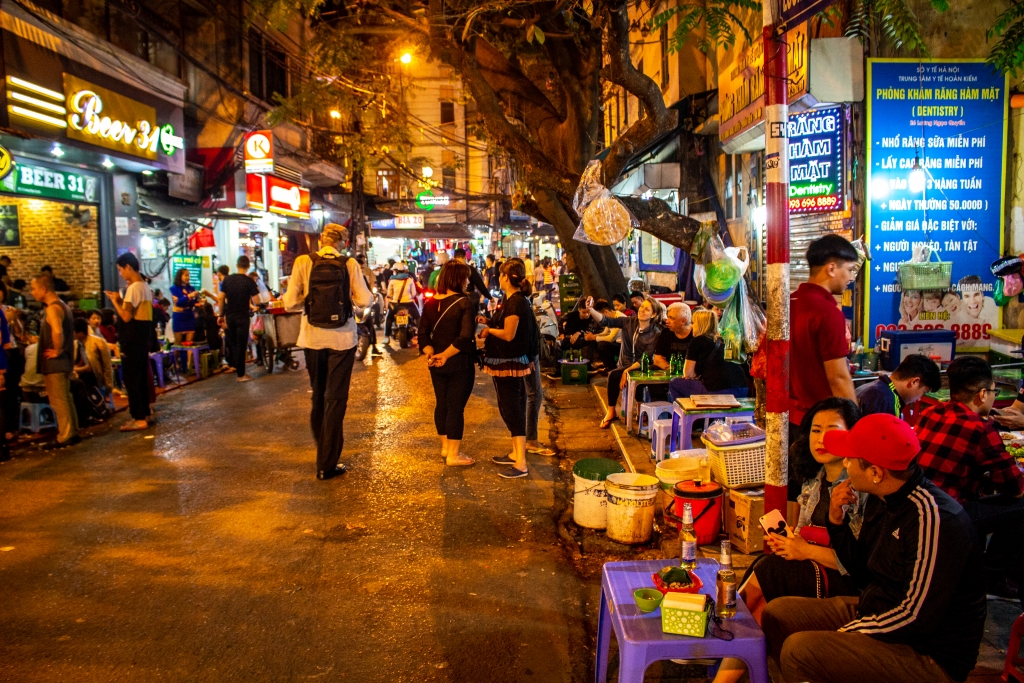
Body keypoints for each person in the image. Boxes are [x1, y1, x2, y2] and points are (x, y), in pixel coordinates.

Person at [755, 413, 985, 683]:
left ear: (876, 473)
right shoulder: (884, 498)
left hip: (928, 654)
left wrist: (849, 632)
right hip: (878, 610)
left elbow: (915, 617)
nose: (845, 464)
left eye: (850, 459)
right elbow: (863, 572)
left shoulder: (932, 518)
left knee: (800, 650)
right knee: (778, 614)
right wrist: (836, 521)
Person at [914, 355, 1024, 606]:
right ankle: (995, 579)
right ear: (982, 394)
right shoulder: (980, 429)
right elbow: (1015, 488)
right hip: (947, 516)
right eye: (994, 392)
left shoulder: (931, 412)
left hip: (918, 507)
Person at [282, 224, 372, 480]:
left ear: (321, 240)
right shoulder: (349, 263)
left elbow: (289, 302)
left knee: (319, 396)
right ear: (343, 242)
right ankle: (327, 462)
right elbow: (365, 300)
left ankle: (323, 450)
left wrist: (309, 302)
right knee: (335, 399)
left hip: (311, 339)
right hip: (342, 340)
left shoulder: (303, 262)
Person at [789, 234, 857, 429]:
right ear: (831, 268)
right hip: (821, 422)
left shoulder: (787, 304)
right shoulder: (828, 313)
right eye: (850, 269)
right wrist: (855, 422)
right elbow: (838, 378)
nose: (851, 278)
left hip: (789, 417)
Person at [479, 258, 537, 479]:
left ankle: (521, 463)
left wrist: (489, 331)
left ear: (505, 277)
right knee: (512, 407)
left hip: (509, 362)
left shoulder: (516, 302)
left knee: (512, 409)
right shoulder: (513, 300)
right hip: (508, 361)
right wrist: (490, 322)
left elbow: (509, 334)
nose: (498, 278)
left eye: (500, 275)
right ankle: (515, 453)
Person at [419, 261, 476, 467]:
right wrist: (446, 355)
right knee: (455, 408)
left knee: (442, 404)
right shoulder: (464, 302)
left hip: (436, 364)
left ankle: (445, 447)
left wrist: (432, 353)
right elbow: (465, 336)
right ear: (458, 279)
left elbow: (423, 335)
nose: (468, 282)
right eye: (466, 277)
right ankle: (454, 455)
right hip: (459, 362)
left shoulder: (429, 303)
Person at [585, 295, 662, 428]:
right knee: (613, 375)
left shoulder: (655, 332)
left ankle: (641, 408)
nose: (642, 310)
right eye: (642, 307)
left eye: (647, 309)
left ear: (653, 314)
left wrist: (628, 371)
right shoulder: (628, 322)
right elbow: (606, 321)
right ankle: (611, 411)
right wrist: (590, 309)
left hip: (641, 366)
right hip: (624, 363)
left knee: (640, 378)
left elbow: (645, 357)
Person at [105, 253, 154, 432]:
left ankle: (138, 418)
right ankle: (145, 413)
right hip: (142, 337)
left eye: (120, 270)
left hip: (132, 339)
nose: (121, 274)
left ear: (128, 267)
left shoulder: (133, 288)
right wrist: (120, 300)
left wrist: (115, 302)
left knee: (131, 378)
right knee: (140, 377)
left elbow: (126, 316)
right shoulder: (145, 287)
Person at [32, 273, 79, 448]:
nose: (32, 292)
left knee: (59, 400)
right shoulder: (63, 306)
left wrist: (57, 350)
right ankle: (72, 431)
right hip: (64, 361)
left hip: (55, 363)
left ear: (43, 289)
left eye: (34, 289)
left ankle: (65, 435)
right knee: (66, 397)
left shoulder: (52, 308)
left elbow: (57, 331)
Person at [667, 309, 749, 401]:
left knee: (675, 383)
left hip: (719, 391)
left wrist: (695, 375)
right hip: (742, 389)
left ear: (700, 324)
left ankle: (687, 410)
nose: (692, 326)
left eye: (693, 323)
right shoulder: (724, 340)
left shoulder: (697, 341)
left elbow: (688, 374)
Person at [217, 256, 260, 382]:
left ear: (237, 265)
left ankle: (234, 366)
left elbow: (221, 298)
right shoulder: (249, 281)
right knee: (241, 345)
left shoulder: (227, 279)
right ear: (248, 266)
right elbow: (257, 300)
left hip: (230, 316)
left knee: (233, 343)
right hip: (243, 317)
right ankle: (241, 375)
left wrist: (220, 315)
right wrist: (255, 305)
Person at [856, 354, 940, 417]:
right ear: (914, 382)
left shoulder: (874, 388)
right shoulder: (887, 402)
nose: (919, 398)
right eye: (923, 392)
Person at [72, 317, 113, 394]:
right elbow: (82, 361)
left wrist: (74, 369)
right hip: (86, 374)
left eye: (73, 331)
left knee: (76, 384)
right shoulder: (78, 343)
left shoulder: (97, 342)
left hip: (96, 377)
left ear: (80, 333)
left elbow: (93, 367)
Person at [385, 262, 418, 343]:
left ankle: (386, 336)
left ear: (396, 271)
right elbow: (414, 293)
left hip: (395, 304)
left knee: (388, 318)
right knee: (418, 316)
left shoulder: (392, 281)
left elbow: (389, 294)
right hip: (409, 303)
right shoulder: (409, 280)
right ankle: (421, 334)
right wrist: (409, 297)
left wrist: (394, 298)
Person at [653, 302, 692, 370]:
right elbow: (658, 359)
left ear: (683, 321)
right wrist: (673, 370)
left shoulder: (696, 335)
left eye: (672, 318)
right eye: (668, 317)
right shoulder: (666, 332)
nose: (667, 321)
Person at [169, 268, 202, 344]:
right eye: (186, 275)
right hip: (179, 316)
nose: (188, 277)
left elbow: (192, 302)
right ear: (180, 276)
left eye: (189, 275)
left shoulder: (191, 288)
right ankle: (176, 352)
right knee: (178, 341)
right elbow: (178, 303)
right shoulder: (174, 288)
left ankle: (189, 352)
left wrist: (198, 301)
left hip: (189, 315)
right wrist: (189, 296)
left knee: (189, 342)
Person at [592, 299, 622, 370]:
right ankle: (604, 365)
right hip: (616, 342)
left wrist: (594, 338)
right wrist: (594, 336)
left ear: (606, 312)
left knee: (602, 345)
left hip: (623, 345)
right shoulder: (610, 317)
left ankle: (611, 368)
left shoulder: (619, 317)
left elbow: (611, 338)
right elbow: (605, 332)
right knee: (594, 342)